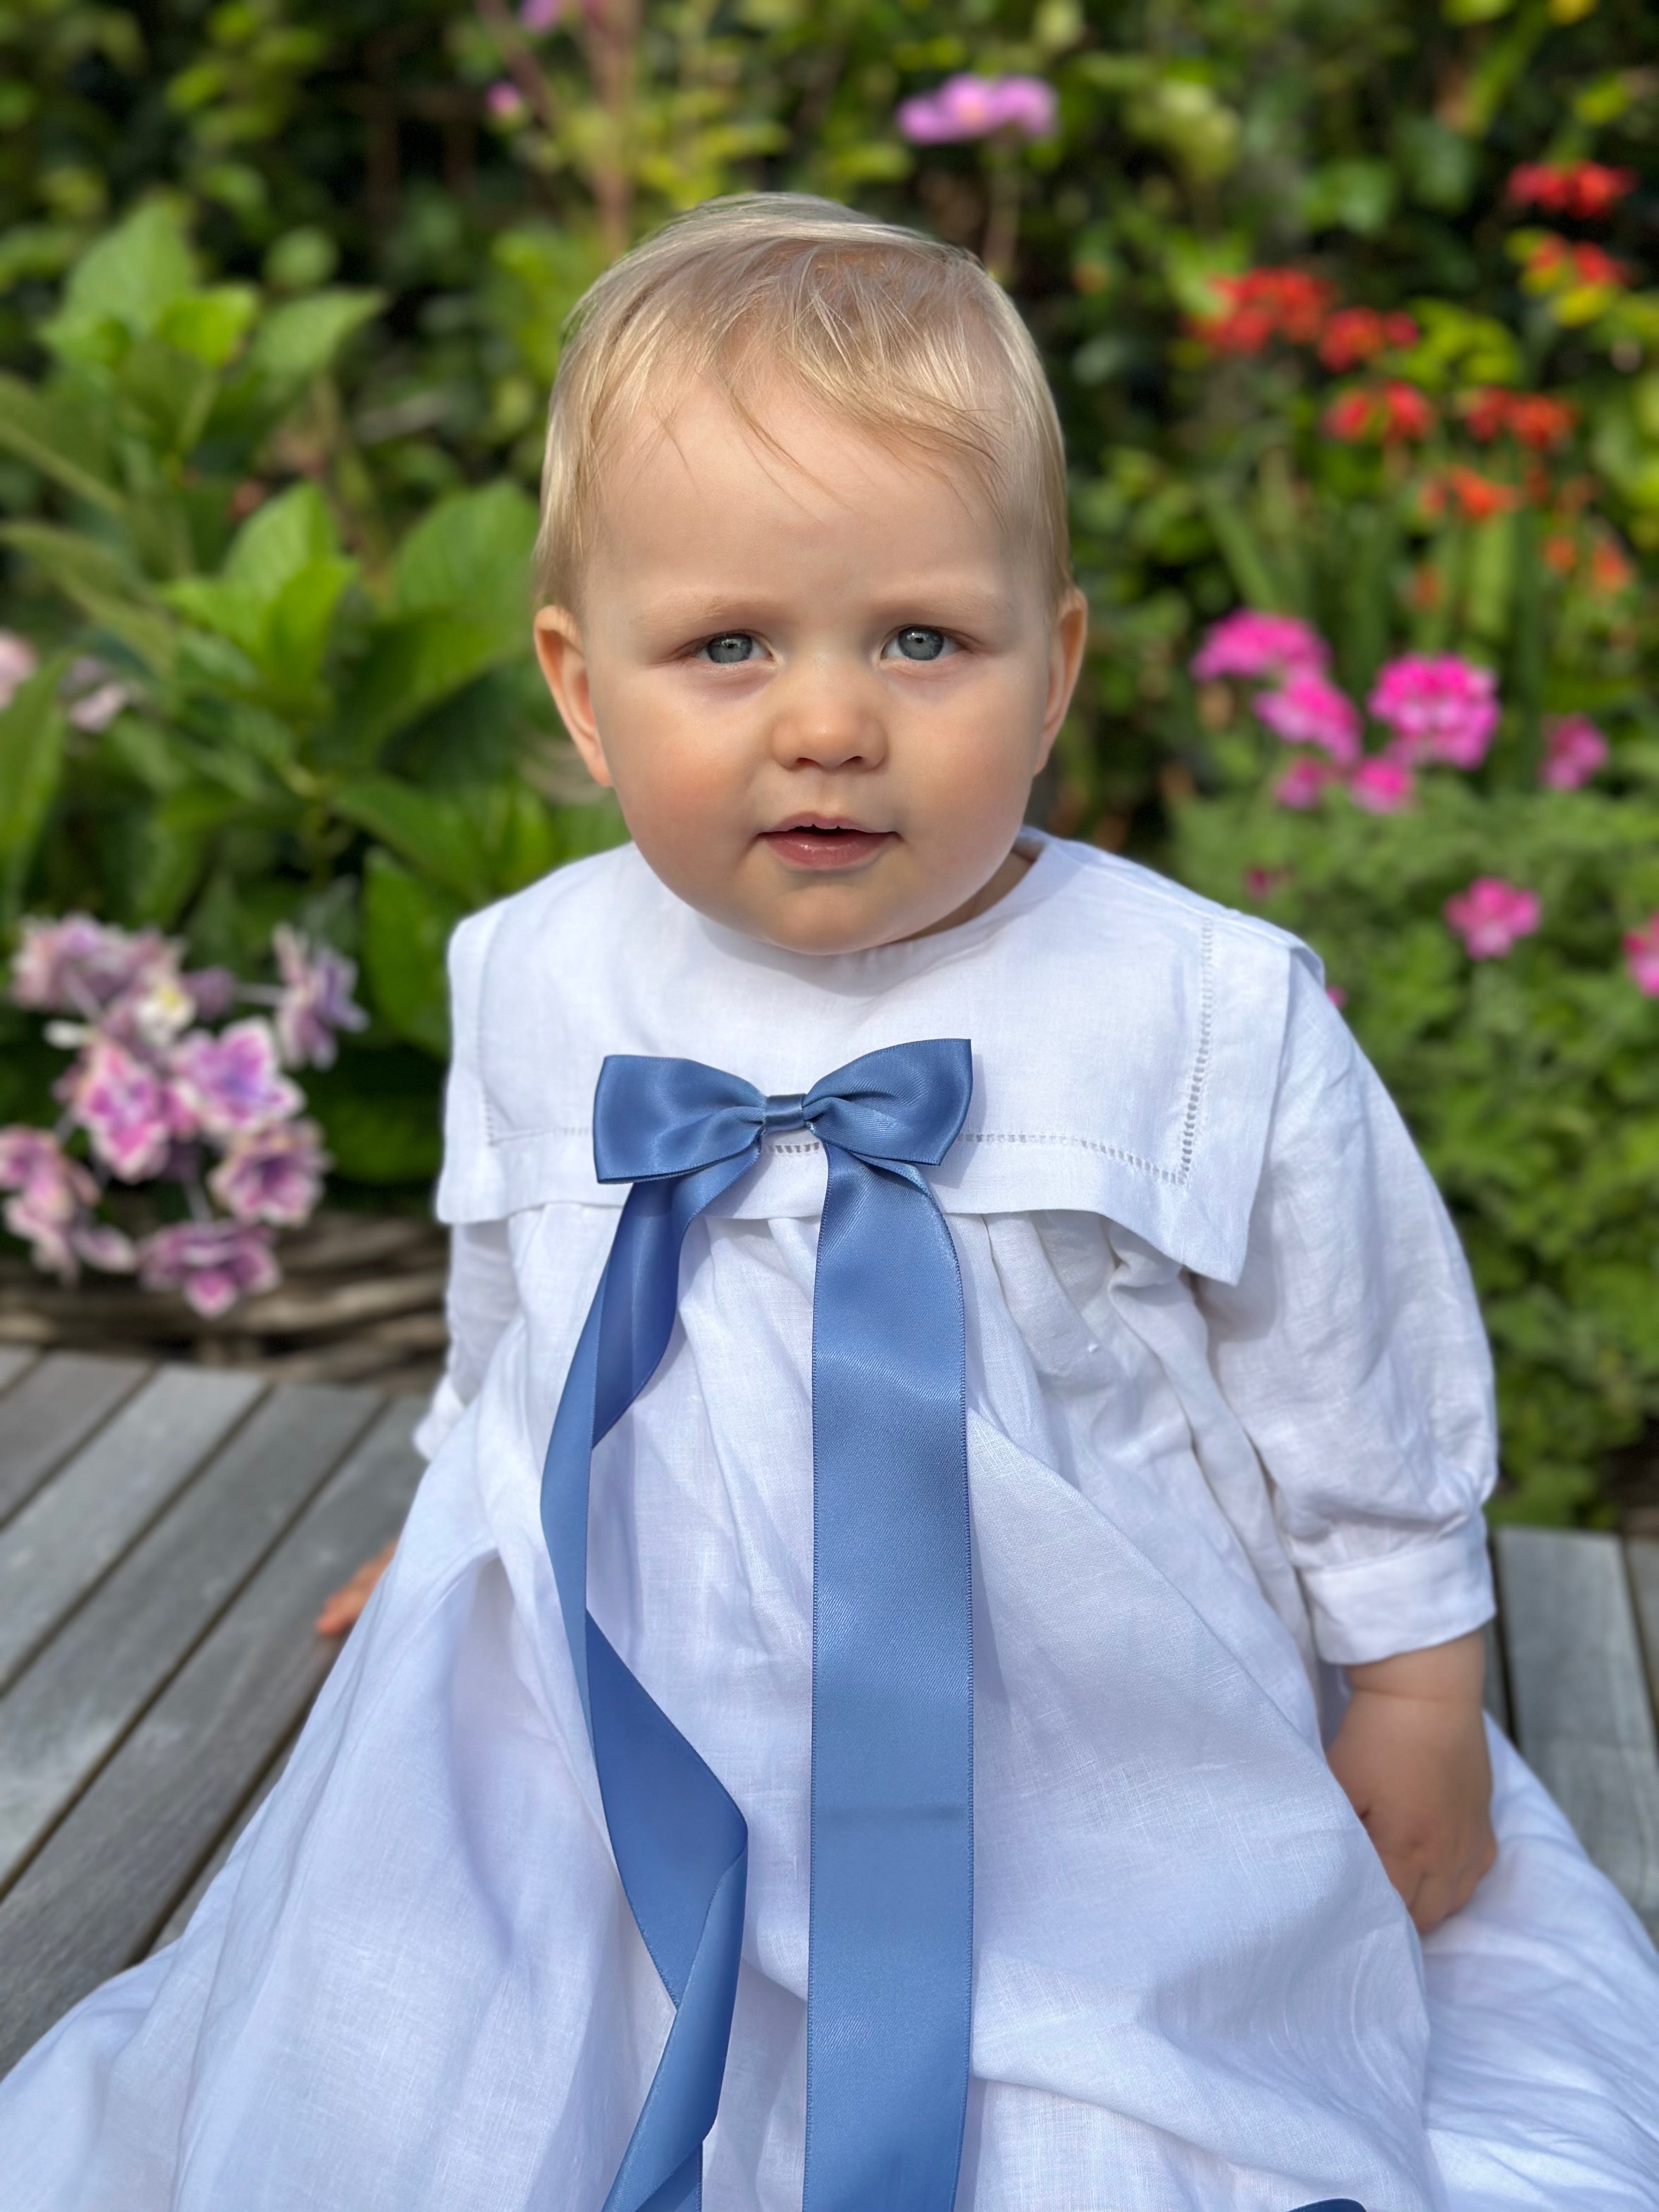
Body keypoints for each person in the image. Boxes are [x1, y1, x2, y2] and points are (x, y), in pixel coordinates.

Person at [3, 193, 1656, 2212]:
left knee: (1101, 2062)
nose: (827, 720)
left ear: (1052, 671)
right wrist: (462, 1502)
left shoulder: (1191, 1006)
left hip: (1054, 1742)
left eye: (919, 640)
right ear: (583, 688)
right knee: (439, 2035)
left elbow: (1357, 1360)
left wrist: (1414, 1680)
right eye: (728, 646)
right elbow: (514, 1288)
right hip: (625, 1680)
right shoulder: (536, 969)